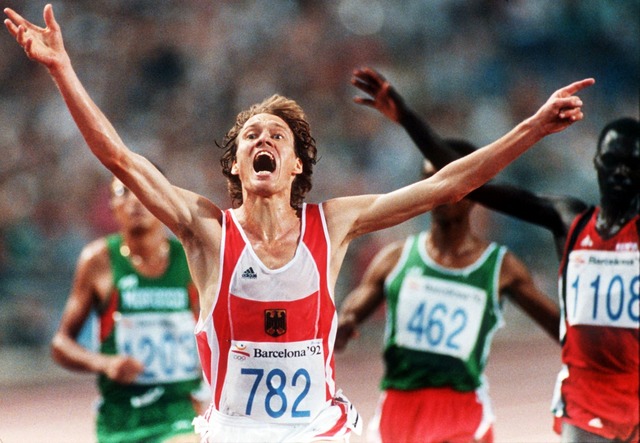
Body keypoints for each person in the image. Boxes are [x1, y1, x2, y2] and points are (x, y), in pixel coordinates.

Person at [4, 5, 593, 442]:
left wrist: (533, 126)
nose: (264, 141)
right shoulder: (207, 231)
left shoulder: (332, 225)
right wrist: (61, 69)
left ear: (296, 164)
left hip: (323, 432)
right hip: (236, 433)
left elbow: (447, 183)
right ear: (235, 163)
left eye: (277, 137)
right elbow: (121, 160)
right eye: (251, 136)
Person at [350, 67, 639, 443]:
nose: (619, 173)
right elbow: (457, 178)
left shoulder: (500, 266)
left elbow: (559, 329)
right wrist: (405, 116)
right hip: (581, 405)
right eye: (612, 161)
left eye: (630, 166)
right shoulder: (569, 220)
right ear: (597, 163)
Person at [335, 154, 561, 443]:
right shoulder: (395, 259)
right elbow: (346, 320)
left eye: (451, 180)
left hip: (462, 410)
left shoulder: (499, 267)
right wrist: (342, 326)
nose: (442, 190)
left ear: (474, 189)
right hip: (398, 408)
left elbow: (564, 332)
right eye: (432, 180)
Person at [50, 176, 206, 443]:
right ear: (112, 207)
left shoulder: (192, 259)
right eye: (124, 192)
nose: (135, 200)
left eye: (144, 190)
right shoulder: (98, 260)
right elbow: (61, 344)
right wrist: (105, 363)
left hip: (178, 411)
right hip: (120, 418)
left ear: (164, 199)